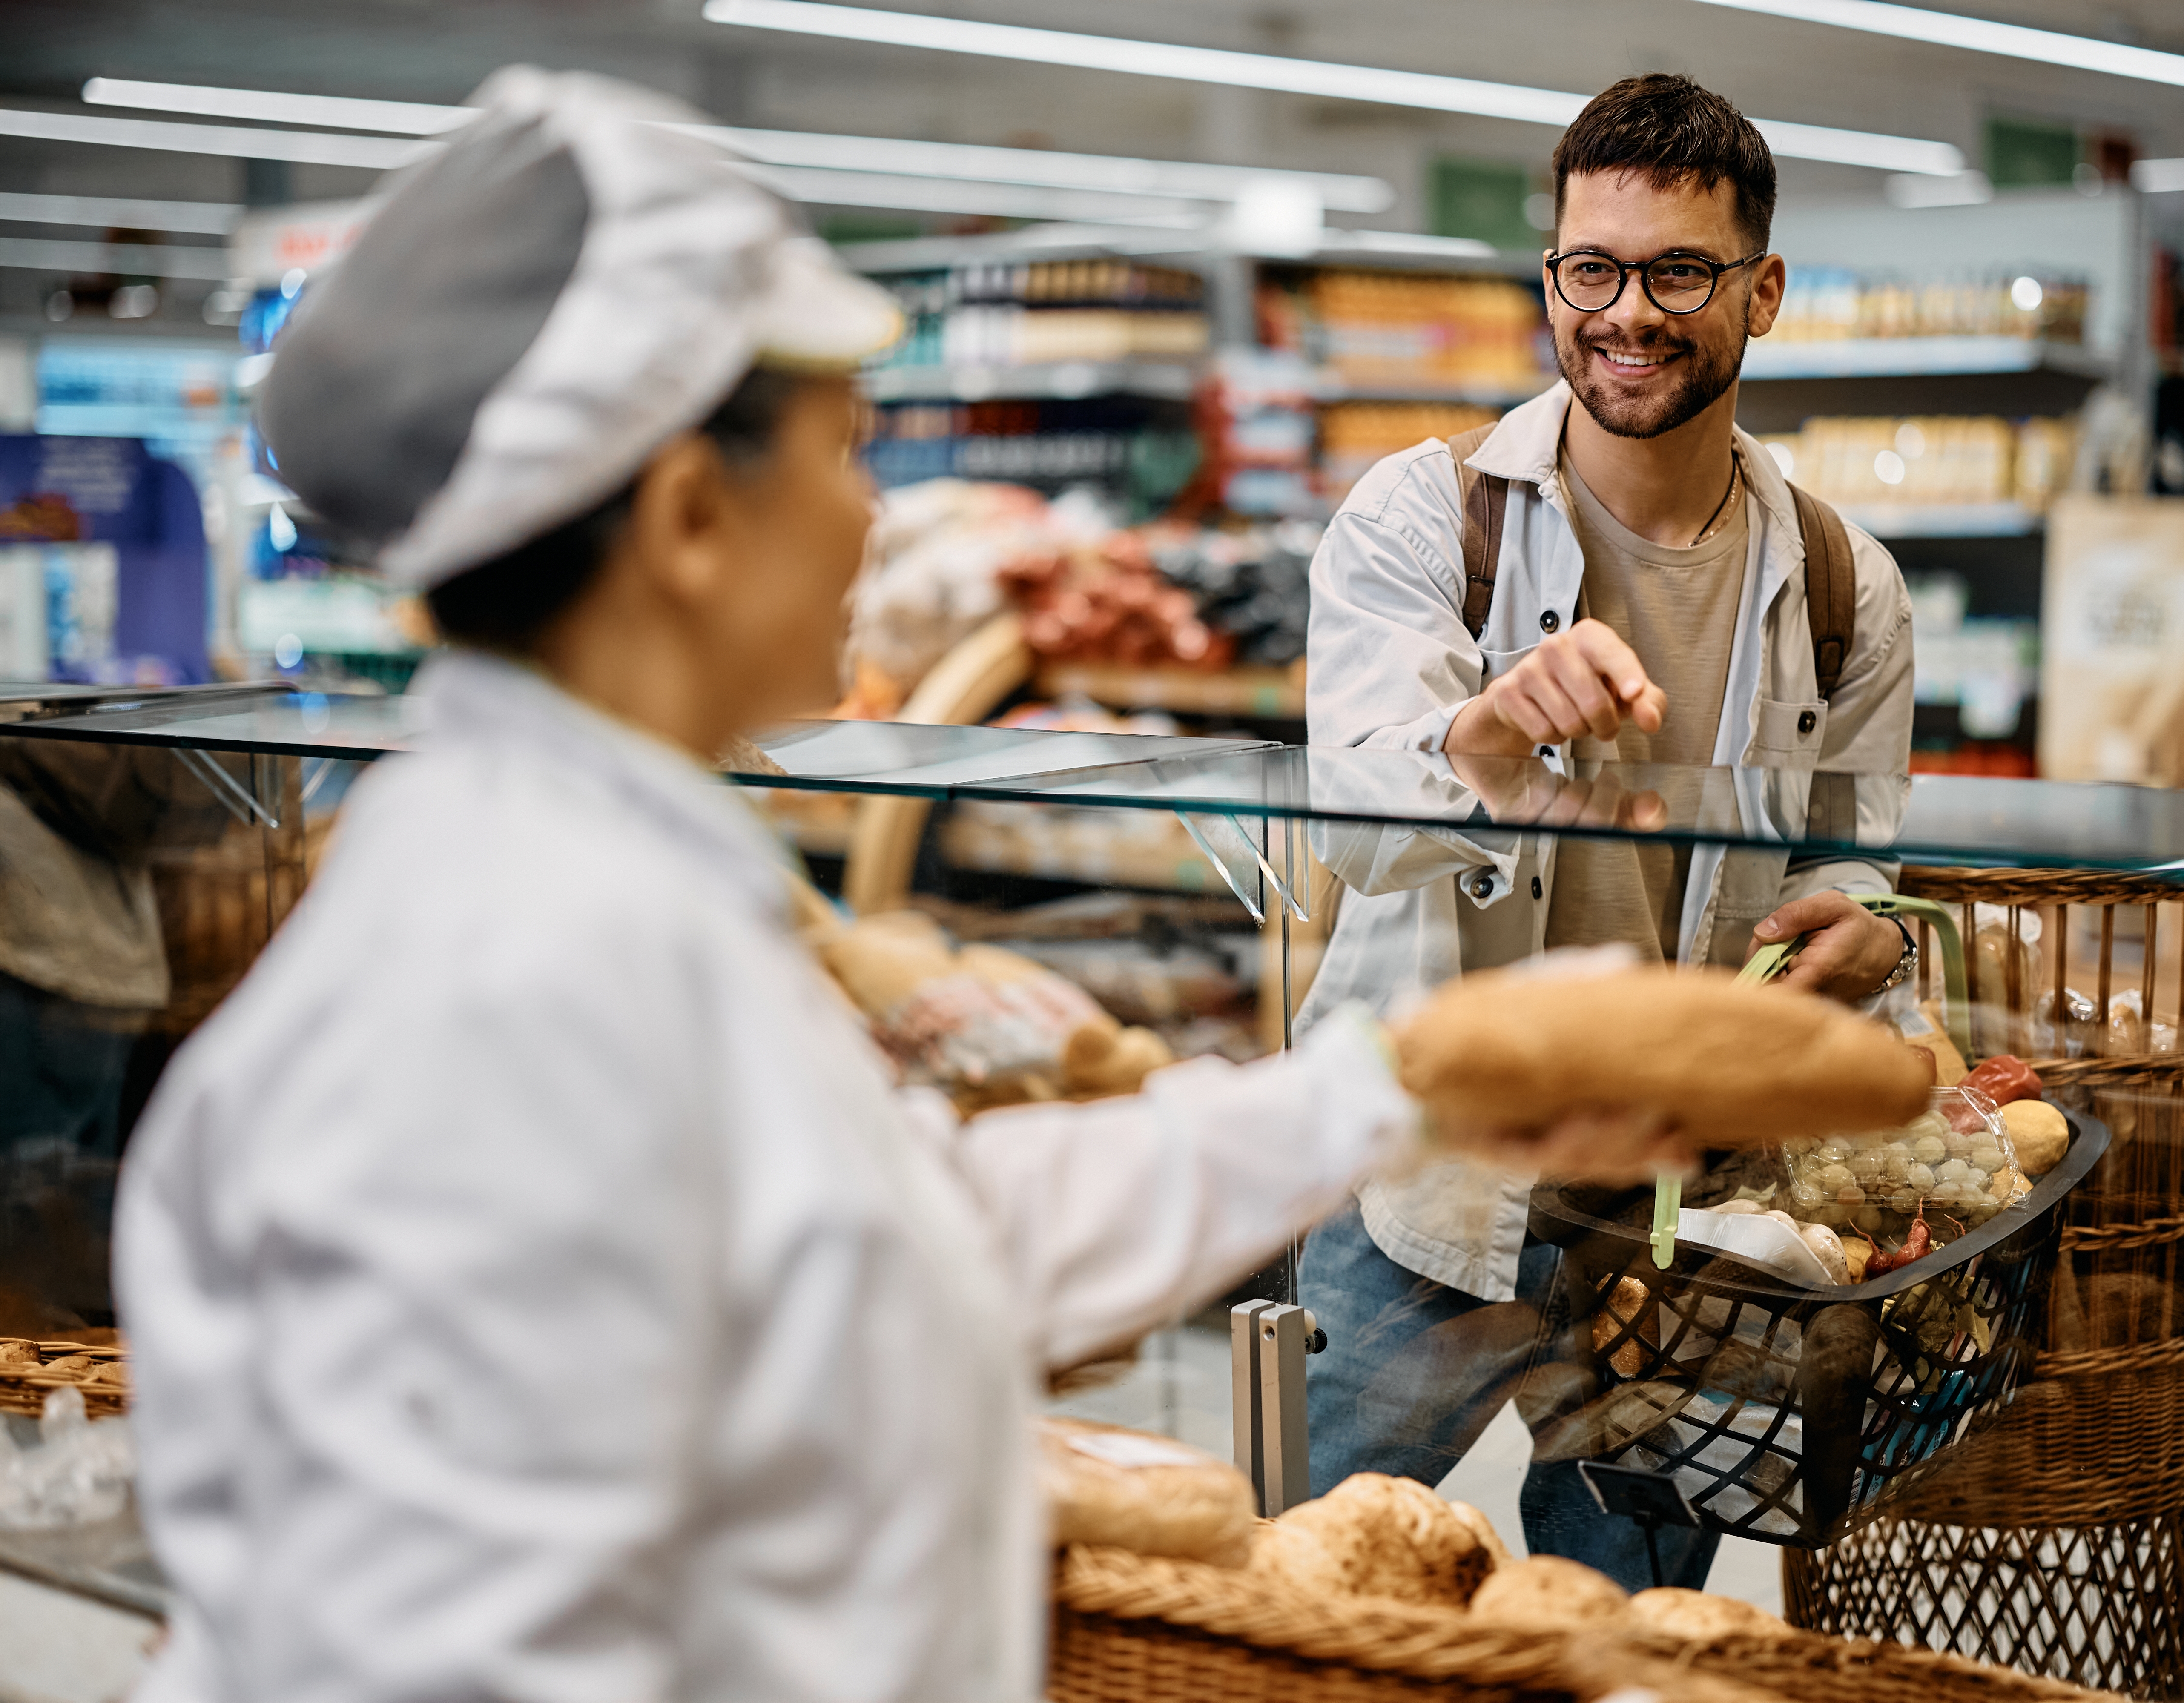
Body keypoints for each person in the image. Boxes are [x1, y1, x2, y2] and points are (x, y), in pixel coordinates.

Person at [110, 70, 1705, 1703]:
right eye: (845, 451)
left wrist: (1397, 1090)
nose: (874, 514)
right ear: (690, 516)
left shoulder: (575, 875)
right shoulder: (530, 966)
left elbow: (905, 1241)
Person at [1295, 73, 1917, 1587]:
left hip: (1676, 1212)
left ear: (1762, 292)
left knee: (1622, 1629)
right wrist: (1490, 731)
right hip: (1417, 1181)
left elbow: (1852, 851)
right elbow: (1357, 831)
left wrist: (1864, 926)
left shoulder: (1848, 585)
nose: (1626, 313)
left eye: (1679, 272)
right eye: (1591, 268)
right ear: (1551, 280)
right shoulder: (1423, 519)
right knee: (1295, 1603)